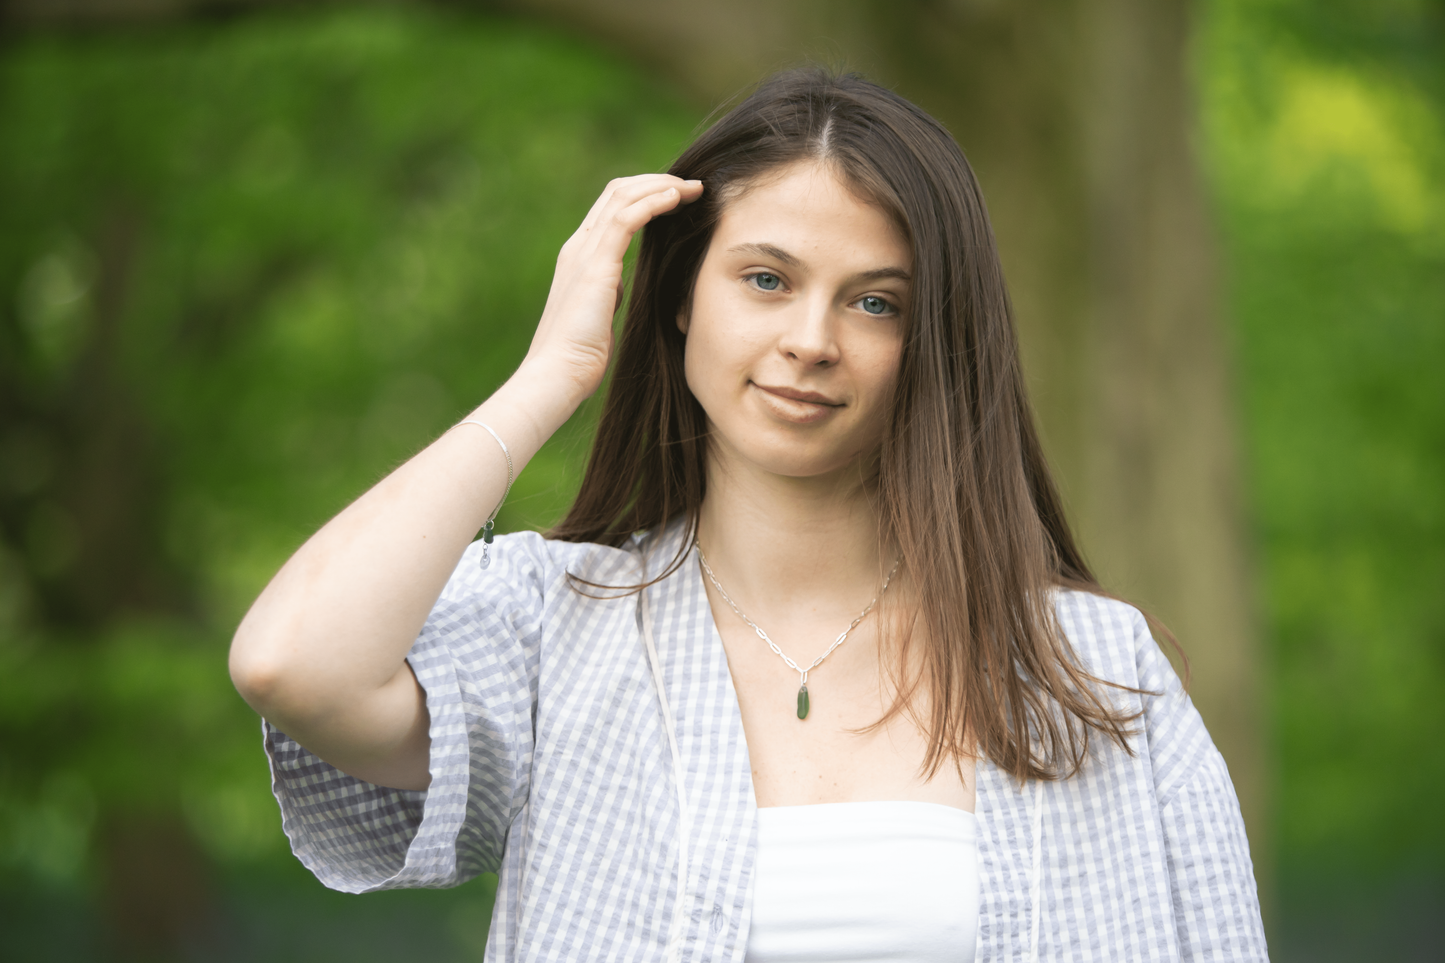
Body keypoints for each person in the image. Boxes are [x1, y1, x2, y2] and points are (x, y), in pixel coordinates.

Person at [229, 69, 1268, 962]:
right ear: (683, 295)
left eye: (874, 302)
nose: (810, 338)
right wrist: (551, 376)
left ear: (931, 338)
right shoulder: (553, 627)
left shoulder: (1089, 667)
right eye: (765, 279)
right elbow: (291, 665)